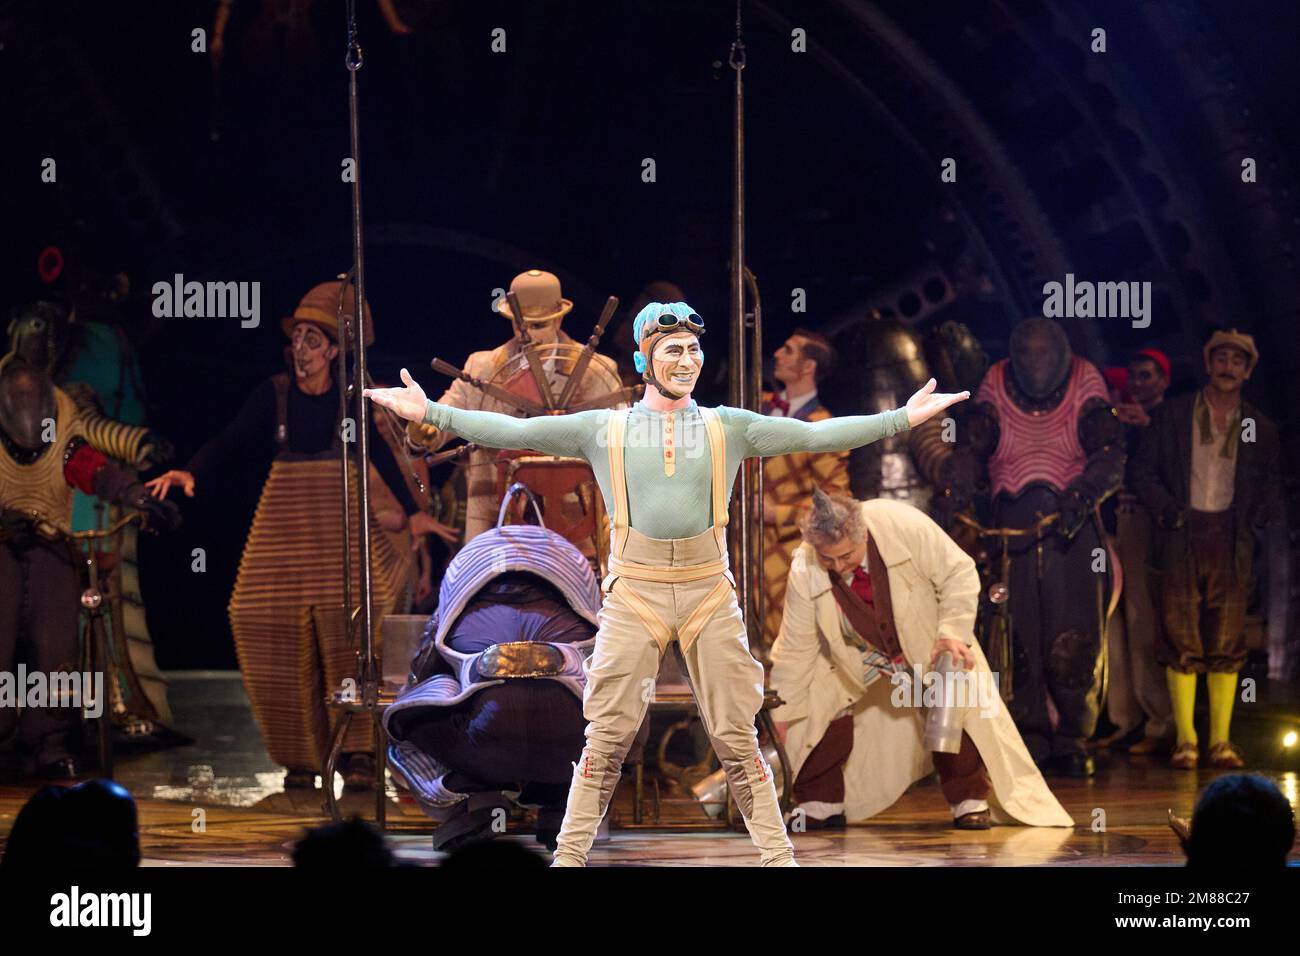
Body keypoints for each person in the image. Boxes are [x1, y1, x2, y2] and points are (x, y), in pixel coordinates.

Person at [365, 300, 969, 867]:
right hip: (635, 593)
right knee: (604, 739)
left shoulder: (727, 427)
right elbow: (516, 436)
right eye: (672, 350)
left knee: (736, 738)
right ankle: (570, 858)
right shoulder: (605, 428)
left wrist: (901, 418)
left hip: (708, 590)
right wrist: (432, 414)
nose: (687, 361)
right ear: (643, 361)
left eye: (692, 349)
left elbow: (815, 437)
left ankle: (778, 858)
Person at [146, 280, 448, 789]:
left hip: (338, 529)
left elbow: (379, 457)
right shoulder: (275, 394)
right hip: (285, 525)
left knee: (350, 630)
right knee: (258, 618)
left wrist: (413, 512)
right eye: (297, 340)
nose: (301, 351)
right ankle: (300, 756)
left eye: (313, 341)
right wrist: (190, 470)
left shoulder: (350, 401)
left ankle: (357, 756)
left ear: (333, 350)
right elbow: (230, 439)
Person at [770, 490, 1073, 830]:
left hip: (927, 639)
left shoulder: (902, 523)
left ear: (863, 535)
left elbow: (958, 572)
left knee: (955, 700)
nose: (838, 567)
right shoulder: (805, 567)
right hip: (858, 652)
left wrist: (951, 633)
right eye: (828, 560)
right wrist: (783, 715)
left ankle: (968, 799)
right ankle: (821, 802)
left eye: (846, 556)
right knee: (816, 699)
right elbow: (795, 647)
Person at [934, 317, 1124, 777]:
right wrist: (955, 487)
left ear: (1060, 353)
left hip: (1070, 527)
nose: (1036, 363)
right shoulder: (995, 382)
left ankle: (1073, 735)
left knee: (1073, 637)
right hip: (1011, 526)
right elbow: (974, 448)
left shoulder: (1086, 381)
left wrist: (1081, 496)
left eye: (1045, 354)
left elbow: (1110, 453)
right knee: (1018, 637)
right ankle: (1031, 731)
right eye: (1029, 355)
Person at [0, 362, 179, 779]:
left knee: (56, 638)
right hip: (2, 543)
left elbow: (98, 473)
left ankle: (49, 738)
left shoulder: (64, 434)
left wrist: (139, 498)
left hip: (50, 539)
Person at [1131, 330, 1282, 770]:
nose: (1228, 367)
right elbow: (1143, 471)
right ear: (1208, 362)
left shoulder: (1260, 426)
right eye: (1221, 358)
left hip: (1230, 541)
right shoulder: (1174, 415)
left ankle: (1220, 741)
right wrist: (1167, 510)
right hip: (1181, 532)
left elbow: (1269, 484)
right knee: (1180, 636)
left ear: (1248, 370)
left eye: (1238, 360)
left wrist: (1262, 512)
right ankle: (1186, 740)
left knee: (1227, 638)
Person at [404, 269, 623, 545]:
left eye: (538, 325)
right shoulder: (481, 367)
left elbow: (621, 439)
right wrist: (423, 428)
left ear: (559, 318)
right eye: (521, 325)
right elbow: (445, 414)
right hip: (494, 517)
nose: (528, 334)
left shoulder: (595, 372)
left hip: (574, 522)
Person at [1100, 348, 1174, 755]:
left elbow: (1167, 473)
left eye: (1147, 377)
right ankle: (1124, 718)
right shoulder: (1119, 423)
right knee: (1115, 624)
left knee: (1143, 620)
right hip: (1116, 524)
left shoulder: (1170, 421)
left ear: (1163, 380)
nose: (1139, 385)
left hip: (1146, 525)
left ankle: (1159, 719)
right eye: (1135, 378)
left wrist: (1144, 427)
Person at [760, 330, 850, 648]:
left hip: (787, 557)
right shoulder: (761, 407)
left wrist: (778, 513)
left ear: (808, 366)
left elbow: (838, 504)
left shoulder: (821, 426)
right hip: (746, 553)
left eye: (788, 350)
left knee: (787, 647)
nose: (777, 354)